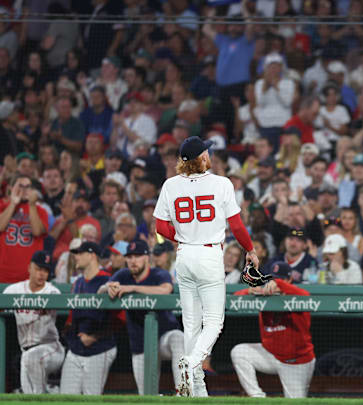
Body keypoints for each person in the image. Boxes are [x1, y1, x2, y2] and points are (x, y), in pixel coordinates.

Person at [152, 136, 260, 397]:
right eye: (206, 152)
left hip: (185, 255)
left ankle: (195, 388)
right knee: (213, 322)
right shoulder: (221, 183)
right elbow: (235, 225)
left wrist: (182, 238)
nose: (209, 154)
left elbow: (159, 227)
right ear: (201, 158)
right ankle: (191, 363)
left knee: (191, 324)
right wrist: (250, 249)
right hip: (209, 254)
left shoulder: (170, 184)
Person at [98, 240, 184, 395]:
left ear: (146, 257)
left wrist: (133, 288)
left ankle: (183, 392)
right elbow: (101, 290)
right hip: (140, 345)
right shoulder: (123, 275)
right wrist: (108, 288)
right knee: (146, 396)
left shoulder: (159, 273)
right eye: (129, 257)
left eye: (137, 256)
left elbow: (166, 289)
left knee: (179, 338)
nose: (133, 261)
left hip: (164, 338)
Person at [230, 262, 315, 398]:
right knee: (239, 352)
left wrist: (281, 285)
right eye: (272, 279)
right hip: (270, 355)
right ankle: (258, 397)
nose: (273, 283)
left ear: (289, 280)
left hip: (295, 361)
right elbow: (233, 300)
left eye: (279, 279)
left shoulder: (296, 296)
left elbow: (306, 296)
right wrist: (249, 291)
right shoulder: (264, 296)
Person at [3, 251, 64, 394]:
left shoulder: (52, 292)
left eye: (45, 270)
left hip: (51, 348)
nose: (42, 274)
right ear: (29, 267)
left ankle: (42, 394)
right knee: (28, 395)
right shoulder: (14, 290)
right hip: (25, 351)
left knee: (32, 358)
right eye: (38, 269)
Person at [60, 242, 117, 395]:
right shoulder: (78, 282)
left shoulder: (107, 280)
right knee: (66, 397)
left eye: (80, 253)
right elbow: (72, 316)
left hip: (100, 347)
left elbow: (118, 319)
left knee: (91, 398)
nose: (75, 257)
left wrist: (95, 336)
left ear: (92, 256)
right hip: (76, 348)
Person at [0, 175, 49, 283]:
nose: (24, 190)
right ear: (10, 189)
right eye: (20, 186)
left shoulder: (41, 211)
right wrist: (13, 203)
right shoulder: (2, 207)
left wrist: (32, 205)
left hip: (30, 277)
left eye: (28, 187)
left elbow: (36, 232)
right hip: (2, 275)